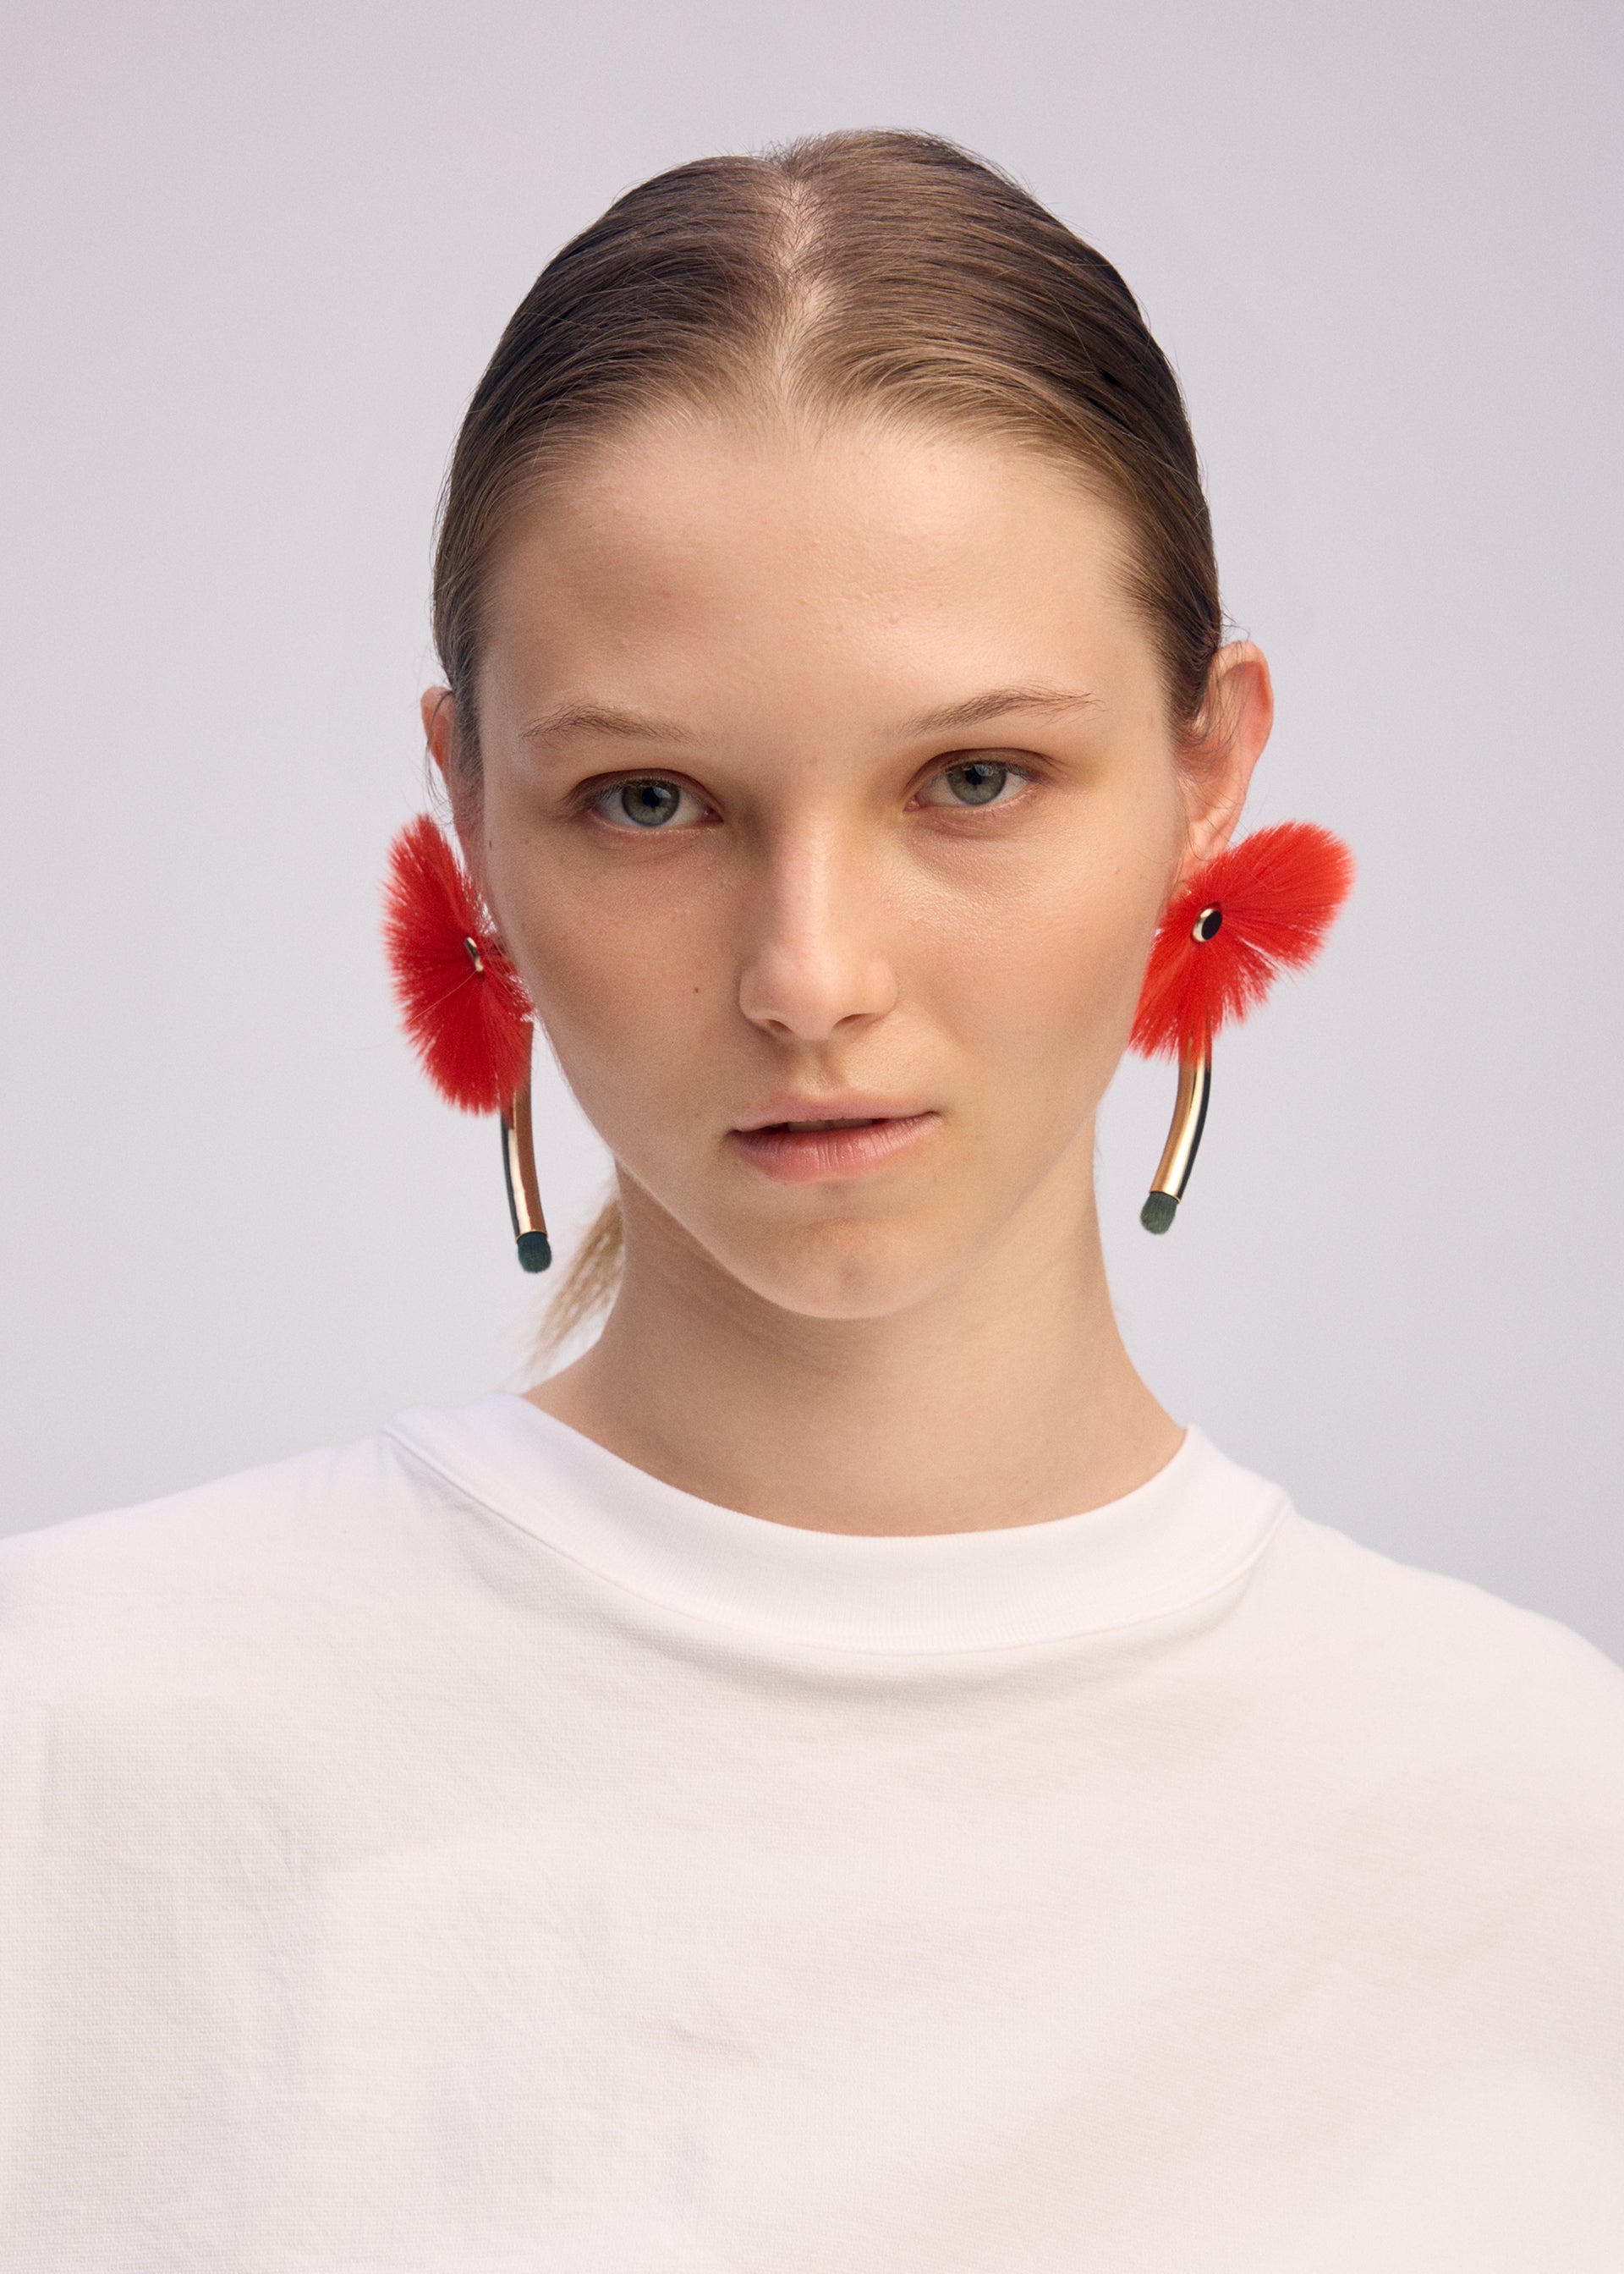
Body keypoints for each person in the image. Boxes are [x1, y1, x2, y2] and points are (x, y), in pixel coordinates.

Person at [2, 130, 1619, 2271]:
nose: (812, 978)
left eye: (972, 779)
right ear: (470, 813)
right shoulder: (70, 1751)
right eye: (648, 798)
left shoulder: (1546, 1822)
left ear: (1209, 765)